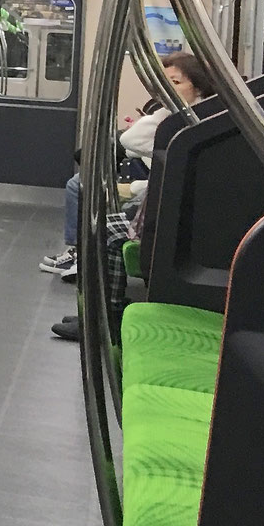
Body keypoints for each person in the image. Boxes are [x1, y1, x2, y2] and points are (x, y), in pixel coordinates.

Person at [46, 52, 212, 340]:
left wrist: (168, 108)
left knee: (107, 231)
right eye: (164, 84)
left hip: (183, 222)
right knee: (99, 222)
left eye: (175, 83)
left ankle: (104, 318)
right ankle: (99, 309)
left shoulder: (195, 120)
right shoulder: (181, 116)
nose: (168, 90)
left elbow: (131, 140)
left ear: (198, 88)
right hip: (164, 204)